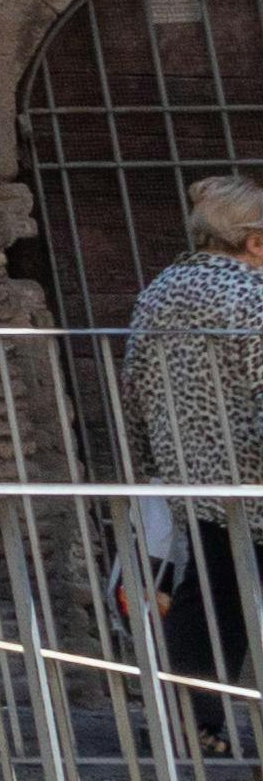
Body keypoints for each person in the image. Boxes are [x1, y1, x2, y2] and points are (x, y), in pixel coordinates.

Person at [130, 173, 263, 730]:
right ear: (255, 241)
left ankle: (190, 721)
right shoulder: (253, 296)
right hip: (254, 476)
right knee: (222, 597)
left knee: (213, 596)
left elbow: (134, 385)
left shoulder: (159, 292)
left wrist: (149, 463)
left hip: (196, 478)